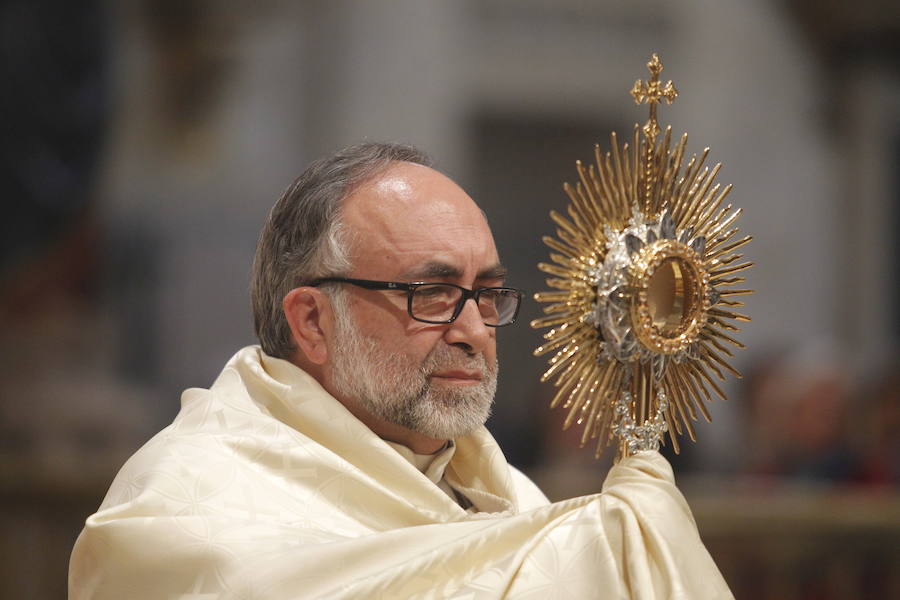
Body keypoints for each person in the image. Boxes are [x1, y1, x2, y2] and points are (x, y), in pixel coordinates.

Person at [69, 142, 732, 599]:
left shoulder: (505, 496)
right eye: (433, 293)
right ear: (312, 322)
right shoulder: (184, 503)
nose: (473, 330)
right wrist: (612, 547)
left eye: (487, 293)